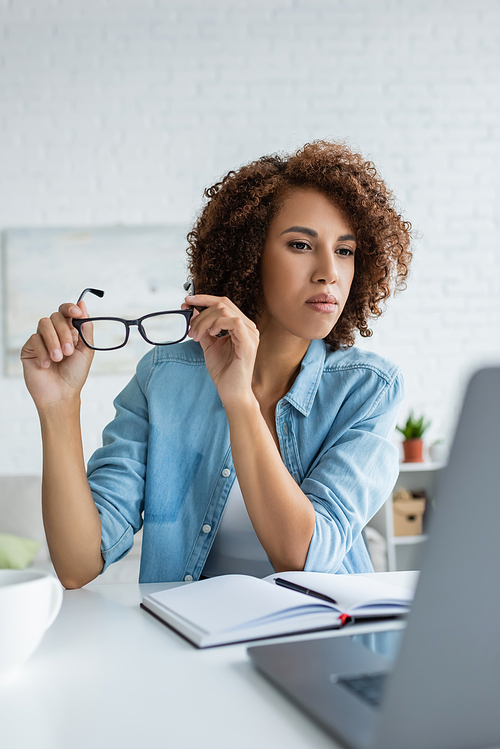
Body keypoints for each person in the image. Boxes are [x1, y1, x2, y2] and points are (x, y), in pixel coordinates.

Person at [21, 140, 412, 589]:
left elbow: (305, 557)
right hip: (192, 643)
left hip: (323, 638)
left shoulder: (368, 388)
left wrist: (239, 400)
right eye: (301, 244)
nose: (329, 271)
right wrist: (59, 406)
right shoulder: (163, 376)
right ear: (249, 255)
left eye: (345, 251)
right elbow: (77, 564)